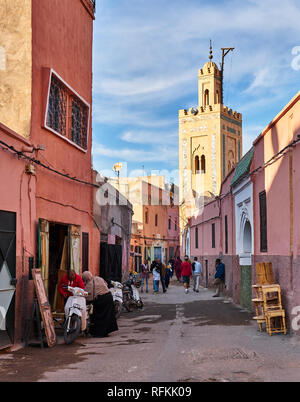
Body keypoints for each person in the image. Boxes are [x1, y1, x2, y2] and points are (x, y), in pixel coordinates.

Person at [82, 271, 118, 337]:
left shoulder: (89, 284)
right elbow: (106, 284)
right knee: (108, 316)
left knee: (97, 316)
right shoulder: (98, 278)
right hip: (109, 297)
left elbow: (89, 297)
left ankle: (99, 333)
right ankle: (106, 331)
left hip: (101, 300)